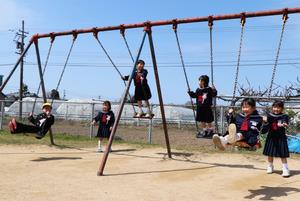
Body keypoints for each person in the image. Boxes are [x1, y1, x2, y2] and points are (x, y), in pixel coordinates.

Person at [262, 101, 290, 177]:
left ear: (282, 108)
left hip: (281, 137)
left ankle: (285, 168)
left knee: (283, 153)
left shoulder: (284, 116)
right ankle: (270, 166)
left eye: (278, 107)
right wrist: (265, 122)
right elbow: (264, 129)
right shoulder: (269, 115)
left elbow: (285, 122)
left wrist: (285, 124)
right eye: (274, 107)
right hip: (271, 136)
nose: (276, 109)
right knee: (270, 153)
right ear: (272, 107)